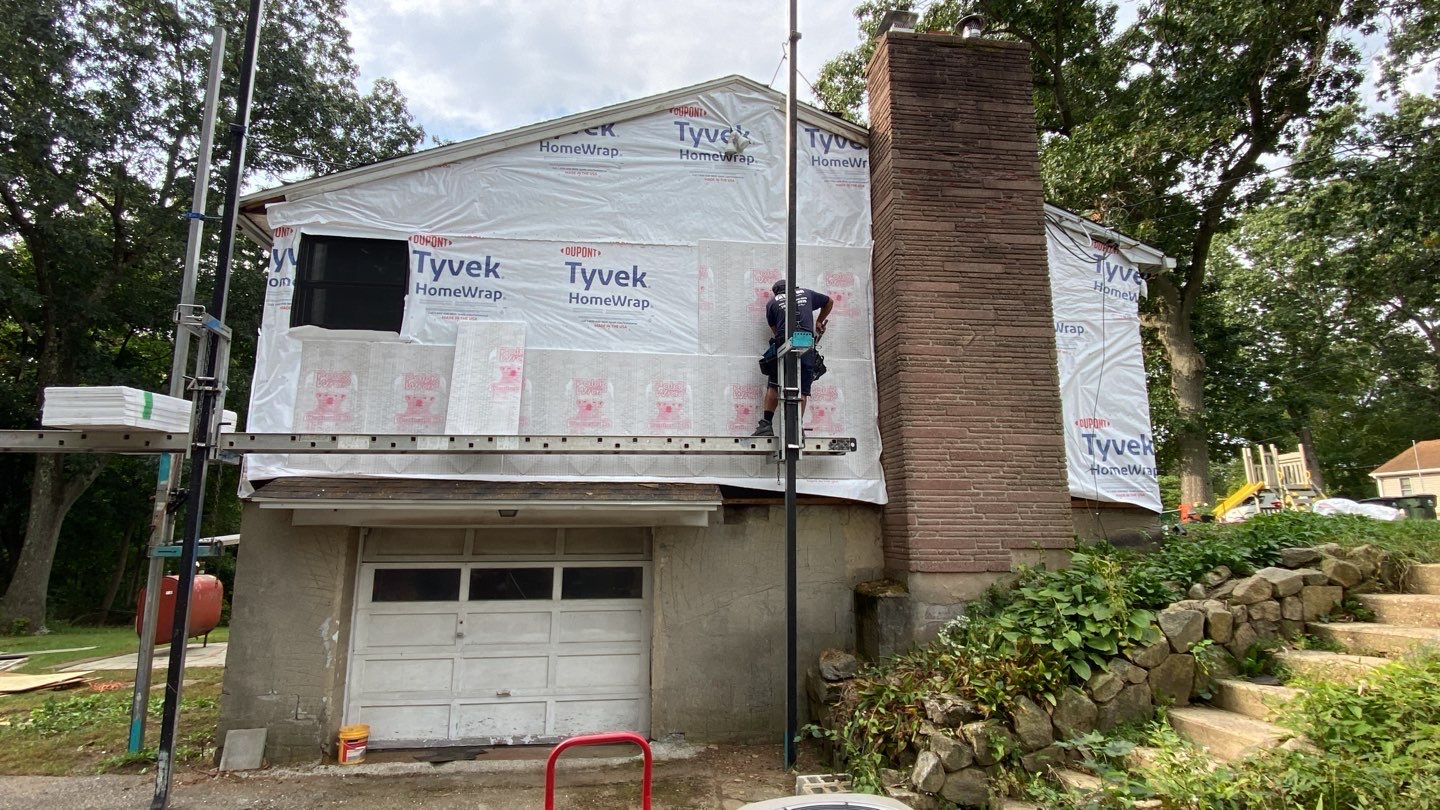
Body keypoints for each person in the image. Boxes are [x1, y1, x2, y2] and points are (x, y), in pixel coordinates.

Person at [752, 279, 832, 436]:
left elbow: (776, 331)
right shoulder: (807, 293)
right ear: (794, 287)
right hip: (806, 342)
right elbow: (829, 302)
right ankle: (796, 427)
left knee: (774, 384)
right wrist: (819, 321)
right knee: (802, 388)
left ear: (776, 292)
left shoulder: (772, 303)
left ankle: (766, 425)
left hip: (785, 343)